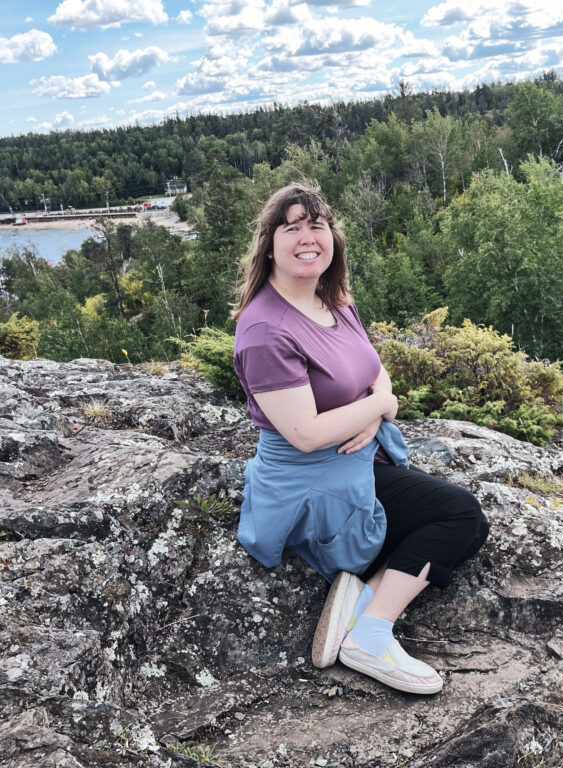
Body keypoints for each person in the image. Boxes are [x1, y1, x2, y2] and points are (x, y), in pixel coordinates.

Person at [232, 181, 488, 695]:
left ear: (333, 238)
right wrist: (378, 408)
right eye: (292, 227)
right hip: (310, 481)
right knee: (460, 517)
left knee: (460, 525)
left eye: (317, 226)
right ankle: (370, 635)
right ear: (269, 244)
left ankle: (358, 604)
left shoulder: (334, 300)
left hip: (357, 455)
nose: (307, 238)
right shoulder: (264, 330)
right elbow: (304, 434)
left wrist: (373, 415)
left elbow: (376, 371)